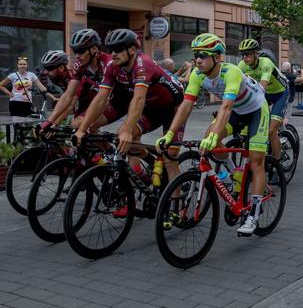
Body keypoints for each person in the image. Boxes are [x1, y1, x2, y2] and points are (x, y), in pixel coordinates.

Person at [156, 34, 269, 235]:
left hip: (256, 110)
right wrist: (170, 134)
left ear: (217, 57)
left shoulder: (231, 72)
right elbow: (186, 106)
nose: (198, 59)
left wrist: (214, 137)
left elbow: (225, 107)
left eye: (203, 55)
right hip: (236, 111)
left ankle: (253, 214)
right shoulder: (197, 75)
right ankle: (228, 174)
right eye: (196, 55)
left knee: (255, 161)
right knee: (211, 140)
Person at [73, 29, 185, 195]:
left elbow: (138, 99)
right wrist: (83, 129)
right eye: (110, 50)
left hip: (173, 106)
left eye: (118, 49)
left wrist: (127, 131)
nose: (113, 54)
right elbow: (101, 98)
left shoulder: (143, 64)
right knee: (123, 138)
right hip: (151, 107)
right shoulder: (112, 66)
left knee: (170, 156)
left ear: (132, 49)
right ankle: (152, 161)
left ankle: (178, 205)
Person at [41, 29, 113, 130]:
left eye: (81, 51)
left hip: (112, 100)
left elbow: (71, 104)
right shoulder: (79, 66)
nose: (77, 56)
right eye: (75, 52)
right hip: (92, 101)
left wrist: (56, 123)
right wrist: (49, 121)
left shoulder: (108, 63)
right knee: (84, 133)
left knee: (78, 126)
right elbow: (67, 96)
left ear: (94, 49)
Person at [238, 39, 289, 159]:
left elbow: (261, 88)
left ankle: (277, 162)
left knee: (271, 132)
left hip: (280, 93)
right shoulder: (242, 65)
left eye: (248, 54)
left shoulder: (265, 63)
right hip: (265, 94)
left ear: (256, 54)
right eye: (243, 54)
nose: (245, 57)